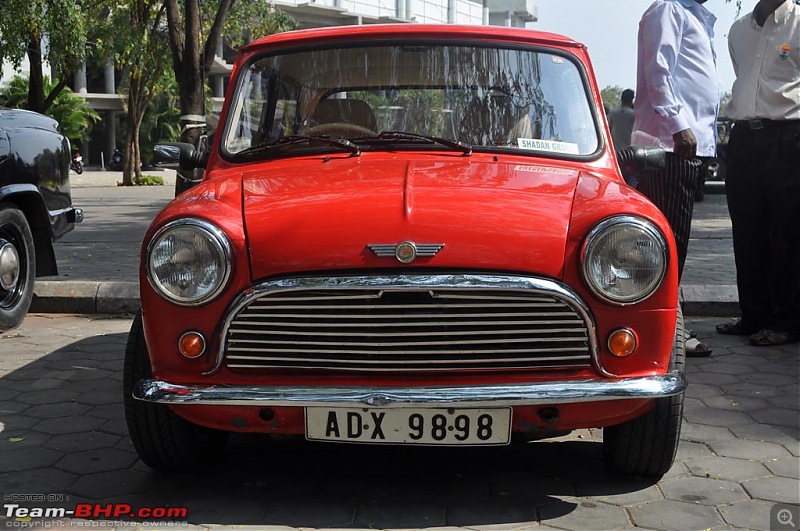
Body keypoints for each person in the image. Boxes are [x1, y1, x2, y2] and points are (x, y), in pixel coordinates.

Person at [632, 0, 720, 356]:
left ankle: (668, 327)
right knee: (667, 247)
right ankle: (664, 334)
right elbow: (658, 72)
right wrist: (678, 126)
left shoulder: (697, 17)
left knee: (674, 245)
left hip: (688, 147)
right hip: (671, 147)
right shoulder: (667, 9)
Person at [716, 0, 800, 346]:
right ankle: (754, 316)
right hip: (743, 139)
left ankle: (788, 321)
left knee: (788, 234)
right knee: (747, 231)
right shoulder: (737, 30)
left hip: (788, 137)